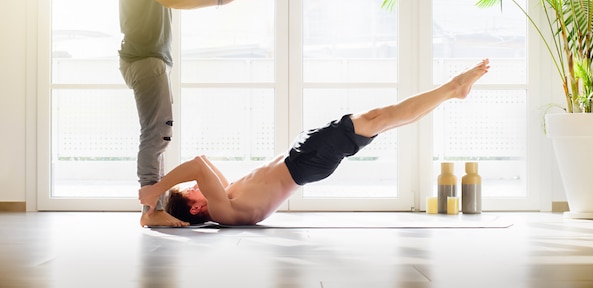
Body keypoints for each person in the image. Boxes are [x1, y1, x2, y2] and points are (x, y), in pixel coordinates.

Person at [139, 59, 490, 227]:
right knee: (381, 118)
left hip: (303, 158)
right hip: (305, 162)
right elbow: (198, 166)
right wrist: (157, 190)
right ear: (198, 207)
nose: (195, 186)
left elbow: (202, 166)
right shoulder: (223, 211)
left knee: (382, 120)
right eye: (191, 191)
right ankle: (452, 89)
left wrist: (158, 211)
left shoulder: (226, 197)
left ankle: (451, 91)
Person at [117, 0, 259, 228]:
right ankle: (151, 212)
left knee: (159, 135)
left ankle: (156, 208)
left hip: (153, 58)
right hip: (145, 58)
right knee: (156, 135)